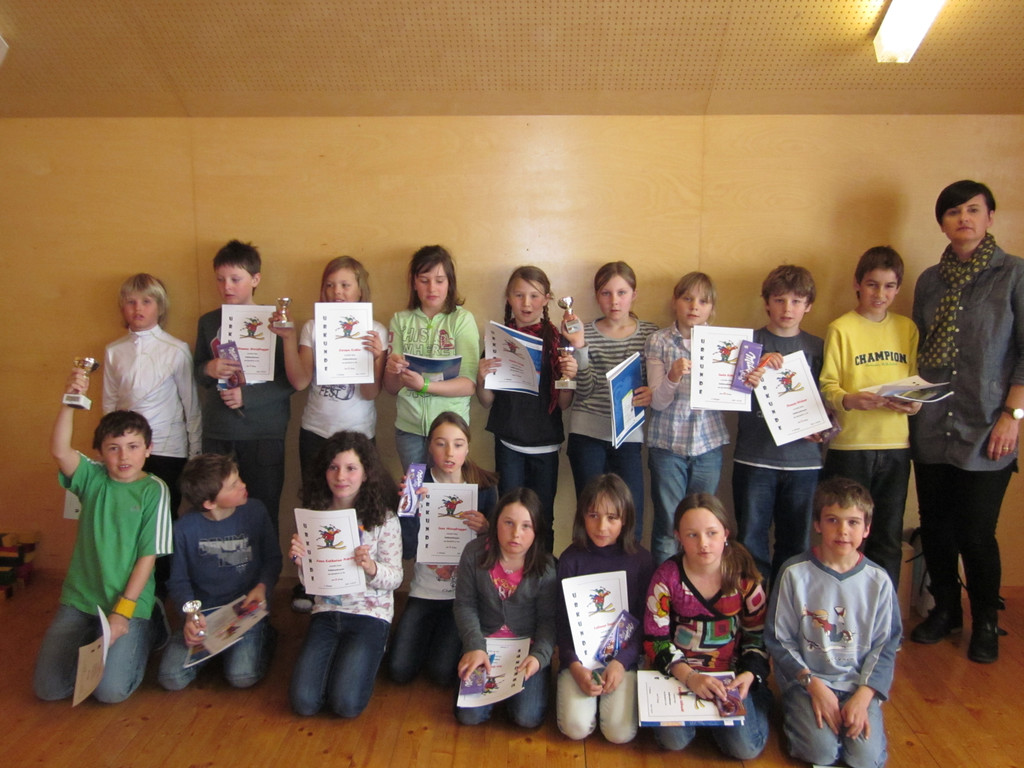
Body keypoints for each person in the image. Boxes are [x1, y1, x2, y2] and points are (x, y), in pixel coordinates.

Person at [909, 180, 1024, 664]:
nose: (964, 219)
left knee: (976, 532)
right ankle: (946, 610)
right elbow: (918, 348)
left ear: (990, 217)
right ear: (942, 223)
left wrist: (1013, 416)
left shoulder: (1013, 274)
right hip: (933, 422)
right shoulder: (929, 281)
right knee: (936, 527)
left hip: (988, 425)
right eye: (954, 212)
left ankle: (987, 620)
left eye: (973, 210)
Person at [34, 367, 172, 703]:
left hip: (128, 601)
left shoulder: (154, 490)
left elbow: (148, 556)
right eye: (114, 448)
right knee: (49, 690)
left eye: (133, 446)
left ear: (148, 449)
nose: (124, 456)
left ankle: (151, 622)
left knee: (110, 693)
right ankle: (97, 634)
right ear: (99, 452)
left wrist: (123, 612)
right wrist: (69, 401)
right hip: (81, 599)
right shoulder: (92, 478)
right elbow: (59, 450)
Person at [765, 477, 901, 768]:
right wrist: (812, 685)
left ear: (866, 528)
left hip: (857, 683)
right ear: (817, 524)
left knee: (864, 759)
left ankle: (862, 715)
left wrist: (864, 695)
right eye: (832, 520)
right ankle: (796, 716)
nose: (843, 531)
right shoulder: (794, 573)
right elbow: (778, 639)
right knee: (821, 753)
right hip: (807, 681)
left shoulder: (878, 581)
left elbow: (886, 645)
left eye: (853, 522)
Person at [642, 493, 771, 759]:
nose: (703, 543)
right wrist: (689, 676)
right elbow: (655, 639)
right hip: (681, 673)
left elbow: (757, 635)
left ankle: (752, 705)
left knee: (746, 749)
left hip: (730, 676)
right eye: (692, 535)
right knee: (673, 741)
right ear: (678, 536)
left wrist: (749, 673)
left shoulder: (744, 577)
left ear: (725, 533)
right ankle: (707, 721)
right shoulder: (667, 578)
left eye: (712, 533)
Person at [819, 247, 919, 589]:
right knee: (842, 536)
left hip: (895, 447)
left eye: (889, 286)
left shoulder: (907, 328)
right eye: (873, 284)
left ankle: (883, 613)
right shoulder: (841, 328)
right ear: (857, 285)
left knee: (887, 536)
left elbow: (915, 384)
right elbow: (827, 386)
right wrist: (849, 399)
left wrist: (914, 405)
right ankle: (841, 606)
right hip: (850, 447)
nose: (880, 294)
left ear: (898, 288)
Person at [288, 432, 402, 718]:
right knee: (304, 703)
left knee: (346, 705)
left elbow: (395, 578)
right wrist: (301, 563)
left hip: (370, 614)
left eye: (351, 468)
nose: (341, 476)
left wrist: (371, 567)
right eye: (333, 467)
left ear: (366, 473)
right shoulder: (315, 515)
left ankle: (374, 648)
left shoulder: (384, 519)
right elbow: (309, 583)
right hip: (327, 612)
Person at [193, 240, 294, 538]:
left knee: (263, 511)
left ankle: (263, 570)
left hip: (264, 434)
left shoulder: (276, 323)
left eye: (235, 279)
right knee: (213, 513)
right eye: (220, 279)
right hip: (219, 433)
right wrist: (208, 369)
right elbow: (196, 371)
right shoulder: (208, 322)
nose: (227, 286)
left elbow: (292, 380)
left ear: (255, 279)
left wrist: (247, 396)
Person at [388, 412, 497, 686]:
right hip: (424, 591)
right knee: (399, 670)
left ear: (468, 447)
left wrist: (487, 529)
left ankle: (446, 642)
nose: (450, 453)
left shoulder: (484, 487)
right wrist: (410, 511)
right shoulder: (416, 482)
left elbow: (498, 554)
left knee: (441, 673)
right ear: (429, 446)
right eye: (441, 443)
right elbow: (407, 550)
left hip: (463, 596)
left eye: (458, 444)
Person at [157, 454, 281, 690]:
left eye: (239, 478)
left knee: (242, 676)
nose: (243, 485)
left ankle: (262, 636)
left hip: (246, 609)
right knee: (171, 678)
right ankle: (219, 651)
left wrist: (262, 586)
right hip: (206, 613)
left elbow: (272, 559)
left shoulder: (255, 511)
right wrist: (191, 615)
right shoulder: (184, 529)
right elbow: (179, 581)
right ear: (209, 503)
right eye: (233, 485)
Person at [734, 265, 825, 584]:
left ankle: (787, 608)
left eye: (797, 301)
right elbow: (729, 395)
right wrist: (754, 370)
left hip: (804, 463)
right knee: (750, 543)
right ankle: (755, 609)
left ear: (808, 305)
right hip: (755, 458)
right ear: (766, 303)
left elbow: (829, 400)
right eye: (779, 300)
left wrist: (825, 428)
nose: (788, 308)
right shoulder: (748, 344)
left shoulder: (818, 347)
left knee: (796, 546)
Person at [477, 265, 577, 552]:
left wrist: (568, 378)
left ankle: (542, 576)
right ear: (508, 298)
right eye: (519, 295)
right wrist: (481, 377)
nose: (526, 303)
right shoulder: (498, 339)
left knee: (542, 520)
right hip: (508, 443)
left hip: (545, 445)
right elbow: (486, 401)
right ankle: (509, 574)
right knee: (508, 518)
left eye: (534, 296)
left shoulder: (558, 341)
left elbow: (564, 404)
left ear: (547, 299)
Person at [555, 474, 653, 744]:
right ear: (582, 516)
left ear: (626, 519)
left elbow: (645, 622)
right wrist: (574, 666)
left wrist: (622, 663)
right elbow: (562, 623)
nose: (602, 526)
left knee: (619, 733)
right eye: (593, 515)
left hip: (623, 660)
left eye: (612, 517)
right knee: (575, 727)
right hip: (579, 661)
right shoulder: (570, 560)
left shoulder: (642, 561)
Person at [563, 261, 656, 544]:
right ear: (597, 296)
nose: (614, 301)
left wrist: (651, 392)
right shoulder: (585, 332)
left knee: (630, 517)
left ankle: (628, 570)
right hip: (587, 435)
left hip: (628, 436)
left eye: (622, 292)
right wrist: (579, 346)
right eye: (606, 293)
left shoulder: (651, 334)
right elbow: (585, 390)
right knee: (591, 517)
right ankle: (589, 570)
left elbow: (655, 384)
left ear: (634, 295)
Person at [454, 487, 557, 728]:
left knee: (527, 718)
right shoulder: (474, 553)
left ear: (536, 530)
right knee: (469, 716)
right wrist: (474, 646)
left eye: (526, 526)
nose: (516, 534)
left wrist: (539, 657)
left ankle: (520, 693)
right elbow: (465, 605)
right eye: (508, 523)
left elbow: (548, 621)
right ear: (495, 522)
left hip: (526, 649)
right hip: (484, 646)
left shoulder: (546, 567)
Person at [271, 255, 387, 472]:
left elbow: (370, 393)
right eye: (330, 285)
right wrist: (288, 337)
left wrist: (374, 359)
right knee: (315, 493)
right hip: (316, 431)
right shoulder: (313, 327)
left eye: (345, 285)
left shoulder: (375, 331)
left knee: (359, 494)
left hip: (359, 433)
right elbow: (300, 382)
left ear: (360, 290)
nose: (337, 292)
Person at [645, 272, 729, 565]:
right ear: (675, 302)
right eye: (687, 298)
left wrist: (746, 381)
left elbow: (733, 396)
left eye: (703, 301)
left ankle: (699, 583)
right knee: (669, 526)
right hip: (668, 445)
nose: (694, 306)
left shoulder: (724, 343)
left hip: (708, 444)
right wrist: (673, 375)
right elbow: (657, 401)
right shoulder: (659, 341)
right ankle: (665, 588)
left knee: (703, 525)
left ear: (712, 308)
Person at [103, 273, 201, 519]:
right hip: (126, 451)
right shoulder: (114, 351)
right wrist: (109, 448)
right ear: (122, 307)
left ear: (160, 307)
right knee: (126, 517)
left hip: (168, 450)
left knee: (163, 518)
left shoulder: (176, 349)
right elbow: (109, 405)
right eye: (131, 302)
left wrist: (195, 454)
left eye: (146, 302)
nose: (138, 309)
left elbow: (192, 407)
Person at [385, 245, 479, 469]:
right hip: (410, 429)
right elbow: (391, 388)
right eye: (424, 280)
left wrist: (424, 386)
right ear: (414, 283)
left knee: (446, 489)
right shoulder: (400, 320)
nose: (432, 288)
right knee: (416, 490)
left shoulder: (462, 320)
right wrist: (392, 371)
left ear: (450, 283)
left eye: (439, 280)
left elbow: (468, 385)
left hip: (451, 431)